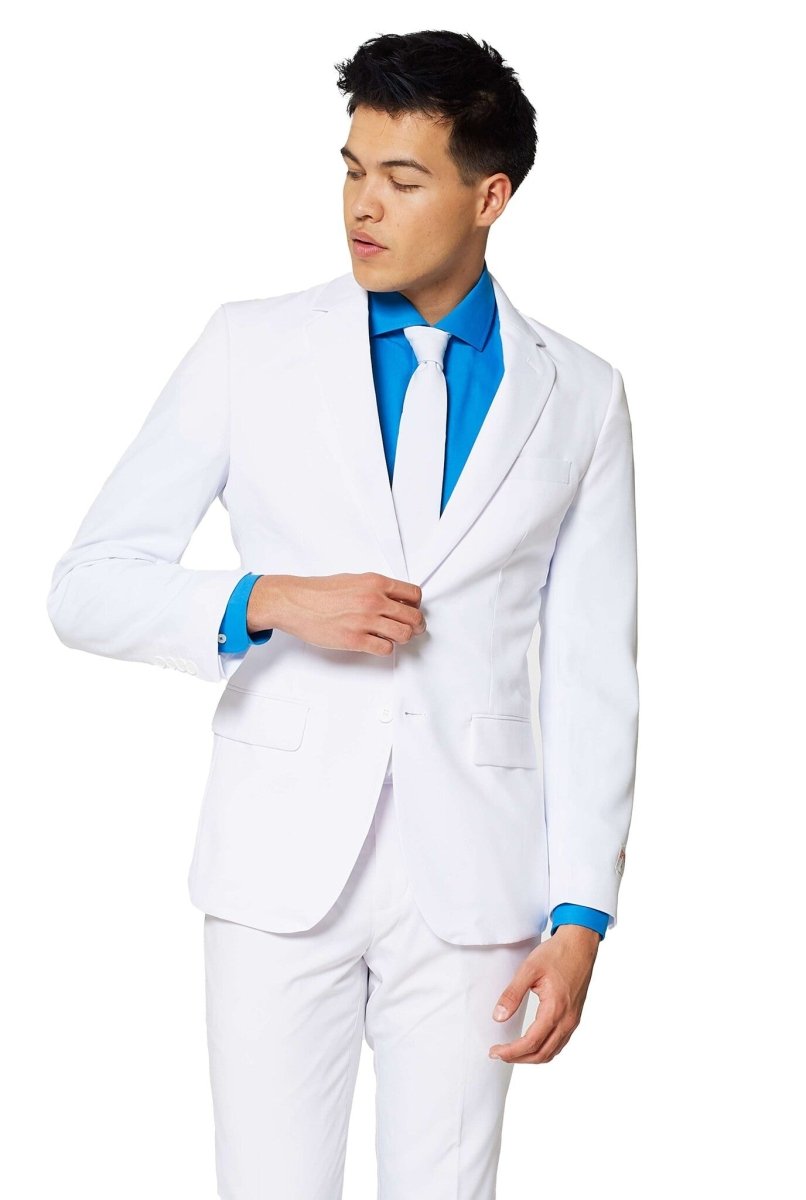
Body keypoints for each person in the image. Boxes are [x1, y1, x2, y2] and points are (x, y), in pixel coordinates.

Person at [46, 29, 639, 1200]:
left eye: (401, 180)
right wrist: (266, 601)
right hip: (276, 870)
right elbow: (88, 584)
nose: (362, 206)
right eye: (353, 170)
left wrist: (580, 916)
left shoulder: (580, 394)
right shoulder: (249, 346)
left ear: (489, 197)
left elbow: (591, 674)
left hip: (476, 887)